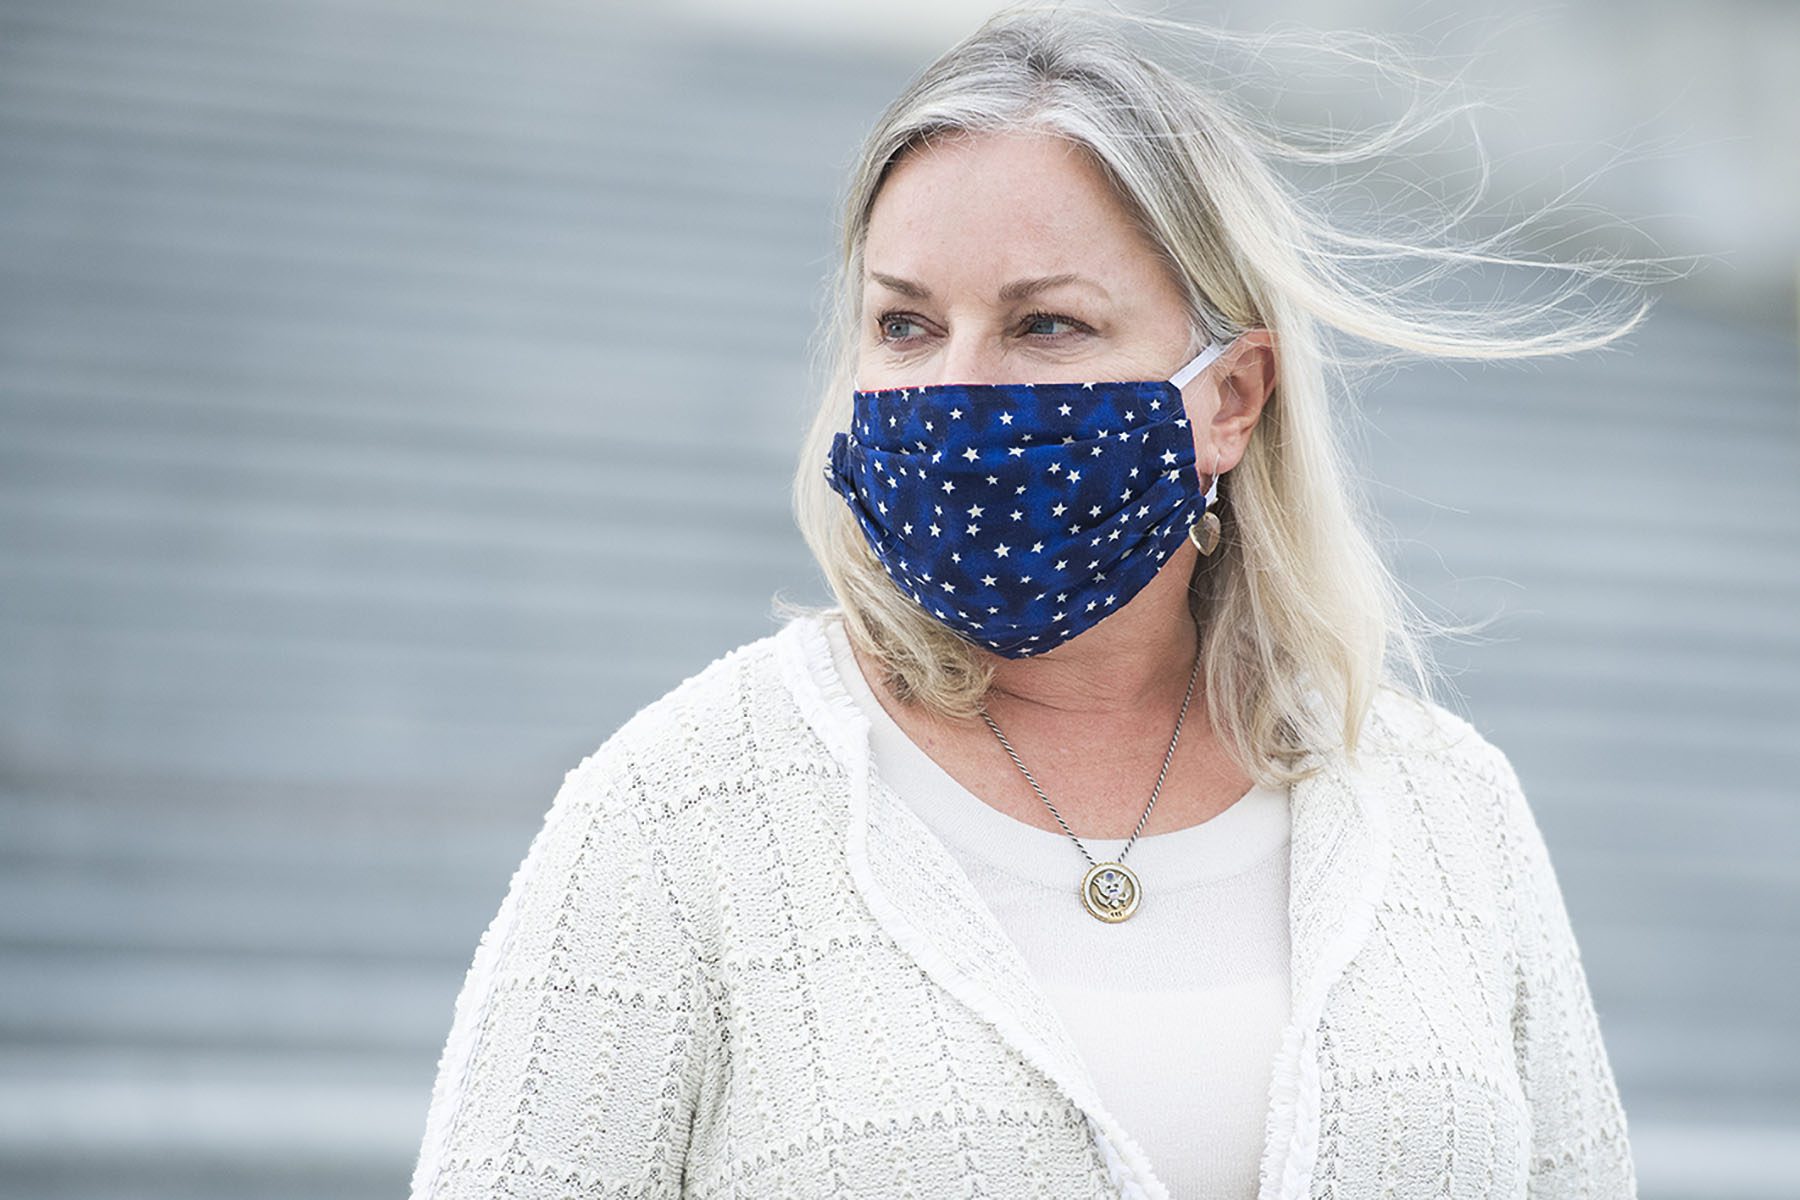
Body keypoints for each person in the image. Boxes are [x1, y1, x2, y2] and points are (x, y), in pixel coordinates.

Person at [409, 6, 1646, 1198]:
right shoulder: (679, 809)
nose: (956, 393)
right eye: (904, 324)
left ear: (1229, 397)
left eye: (1045, 324)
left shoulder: (1446, 809)